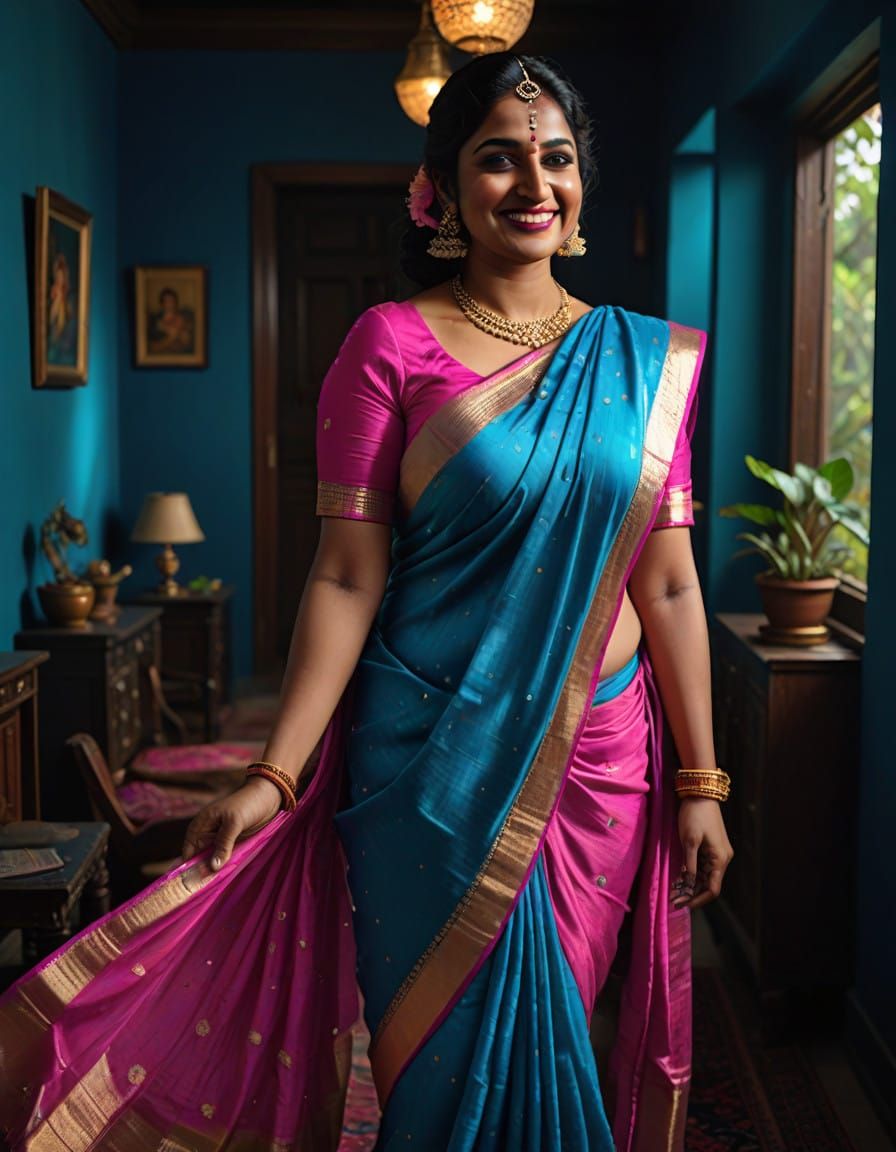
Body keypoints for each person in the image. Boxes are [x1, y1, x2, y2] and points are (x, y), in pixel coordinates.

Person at [0, 54, 732, 1151]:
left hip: (596, 759)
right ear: (444, 186)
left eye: (556, 157)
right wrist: (274, 771)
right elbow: (346, 573)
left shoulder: (641, 361)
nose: (534, 183)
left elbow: (666, 580)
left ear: (581, 180)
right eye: (499, 158)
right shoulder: (388, 342)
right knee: (437, 1059)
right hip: (424, 760)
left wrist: (701, 781)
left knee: (556, 1032)